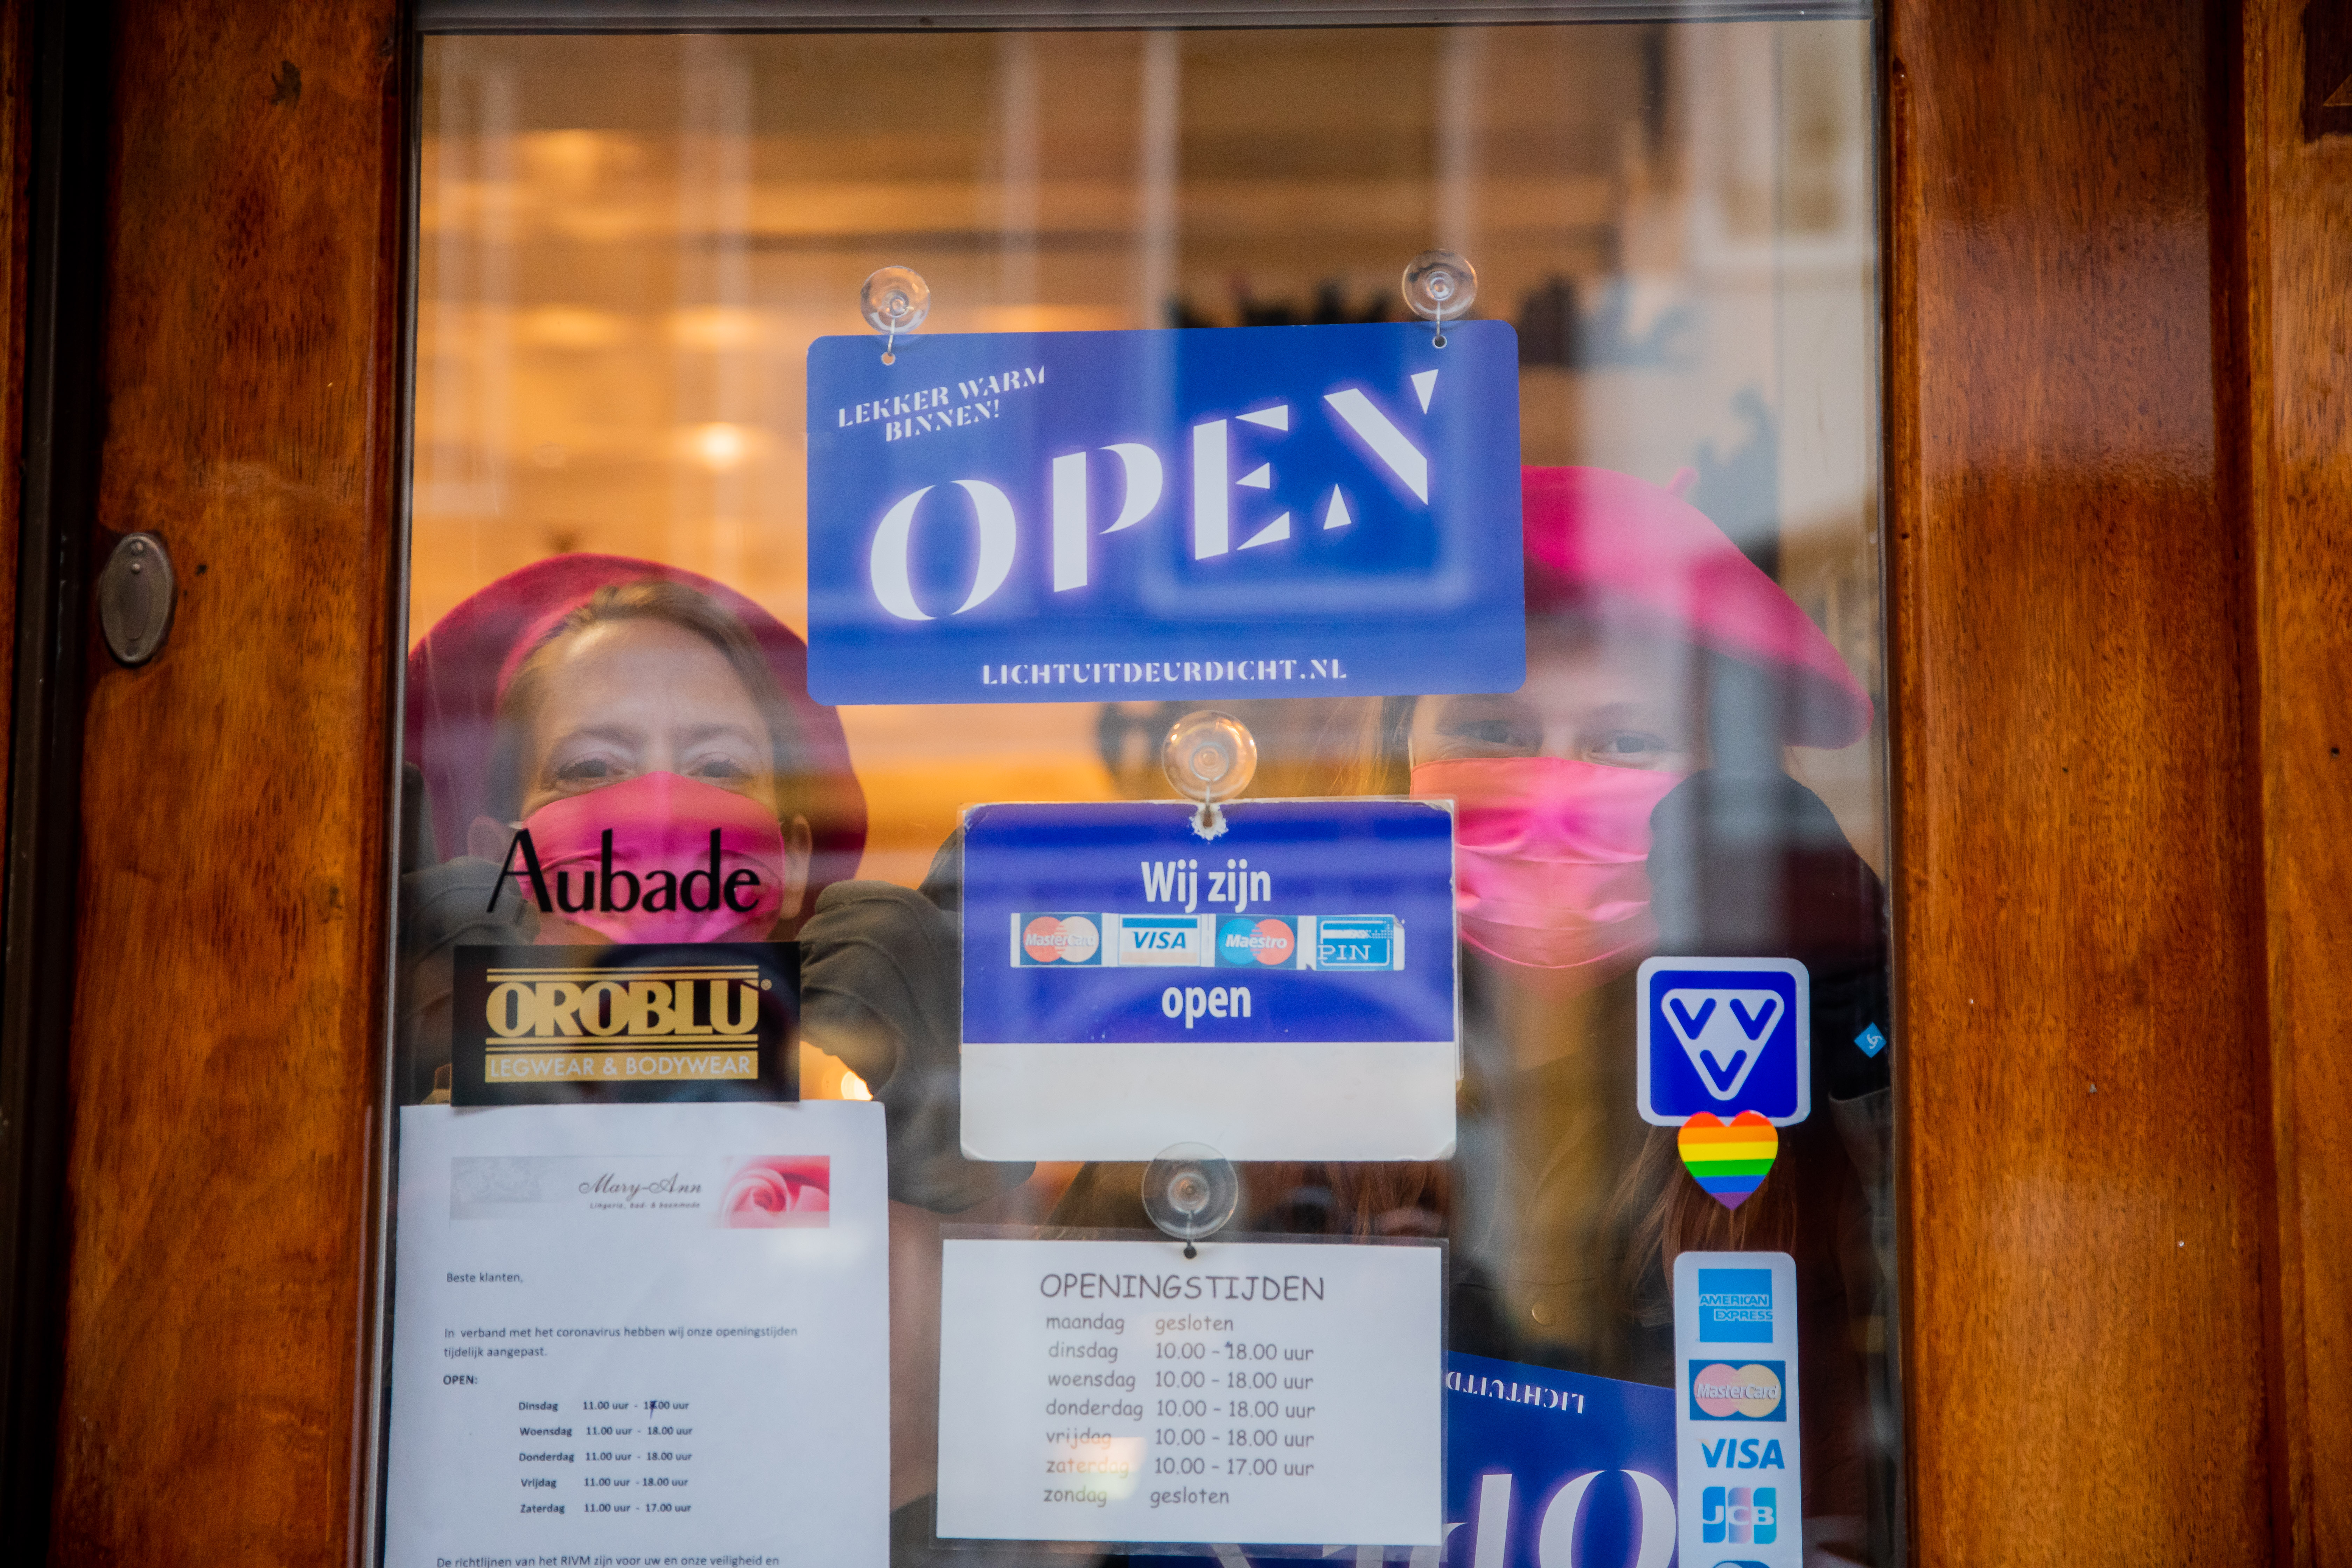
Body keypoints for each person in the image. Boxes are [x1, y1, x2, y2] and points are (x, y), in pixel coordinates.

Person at [1048, 466, 1894, 1553]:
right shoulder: (1239, 1069)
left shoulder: (1810, 1093)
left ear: (1727, 793)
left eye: (1629, 741)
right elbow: (1072, 1456)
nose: (1551, 786)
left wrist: (1873, 1054)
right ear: (1393, 758)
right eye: (1492, 732)